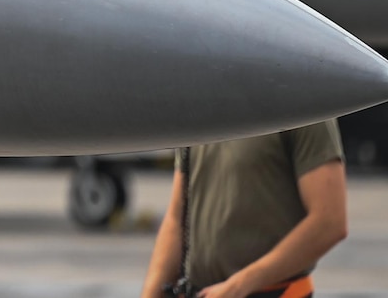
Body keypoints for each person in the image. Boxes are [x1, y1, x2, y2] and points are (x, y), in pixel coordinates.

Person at [141, 122, 348, 298]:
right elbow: (177, 218)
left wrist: (238, 287)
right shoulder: (202, 107)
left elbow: (329, 222)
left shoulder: (302, 102)